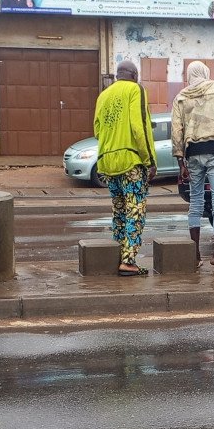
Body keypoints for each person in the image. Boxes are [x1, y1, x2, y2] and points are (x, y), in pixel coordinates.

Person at [172, 61, 214, 274]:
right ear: (206, 73)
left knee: (196, 202)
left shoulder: (181, 97)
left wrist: (180, 162)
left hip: (192, 154)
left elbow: (176, 132)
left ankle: (195, 255)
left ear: (189, 74)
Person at [92, 60, 157, 276]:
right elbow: (140, 127)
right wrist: (149, 160)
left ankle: (118, 255)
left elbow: (98, 129)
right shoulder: (135, 89)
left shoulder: (104, 95)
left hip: (107, 163)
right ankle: (129, 261)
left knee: (119, 210)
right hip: (130, 160)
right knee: (135, 209)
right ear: (134, 75)